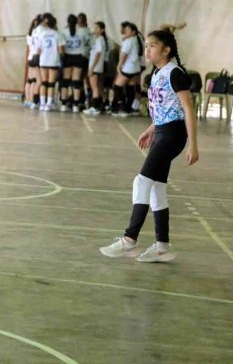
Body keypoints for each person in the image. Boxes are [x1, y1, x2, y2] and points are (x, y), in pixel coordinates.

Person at [100, 29, 198, 262]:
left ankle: (129, 239)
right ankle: (162, 246)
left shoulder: (175, 73)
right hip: (162, 132)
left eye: (152, 46)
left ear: (166, 50)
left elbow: (187, 109)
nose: (147, 50)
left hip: (174, 135)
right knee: (156, 187)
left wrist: (193, 144)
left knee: (141, 181)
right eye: (146, 46)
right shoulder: (156, 73)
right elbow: (165, 109)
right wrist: (151, 129)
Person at [111, 22, 142, 116]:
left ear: (133, 32)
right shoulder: (136, 39)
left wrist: (119, 65)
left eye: (128, 30)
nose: (125, 31)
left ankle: (122, 109)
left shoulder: (129, 41)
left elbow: (124, 54)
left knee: (117, 87)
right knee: (130, 87)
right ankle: (129, 108)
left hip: (128, 68)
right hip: (135, 68)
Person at [60, 14, 88, 112]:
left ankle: (63, 104)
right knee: (76, 82)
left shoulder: (63, 31)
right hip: (78, 57)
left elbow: (61, 46)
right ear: (77, 22)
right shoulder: (83, 31)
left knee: (65, 81)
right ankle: (76, 105)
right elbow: (86, 44)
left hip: (67, 56)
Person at [36, 13, 64, 111]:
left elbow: (38, 50)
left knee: (44, 82)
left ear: (47, 24)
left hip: (43, 60)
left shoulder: (42, 34)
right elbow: (61, 50)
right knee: (51, 83)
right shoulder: (58, 34)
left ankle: (42, 104)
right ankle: (49, 104)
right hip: (53, 60)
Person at [83, 21, 108, 116]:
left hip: (95, 68)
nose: (95, 30)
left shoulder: (100, 39)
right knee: (96, 86)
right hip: (96, 67)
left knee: (94, 87)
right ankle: (99, 106)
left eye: (97, 28)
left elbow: (98, 54)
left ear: (102, 30)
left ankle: (94, 107)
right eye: (94, 28)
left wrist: (92, 68)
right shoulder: (98, 39)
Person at [24, 14, 43, 109]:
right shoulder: (39, 32)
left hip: (30, 57)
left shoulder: (29, 34)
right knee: (35, 81)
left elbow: (28, 48)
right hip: (36, 57)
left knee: (29, 80)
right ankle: (32, 100)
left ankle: (27, 100)